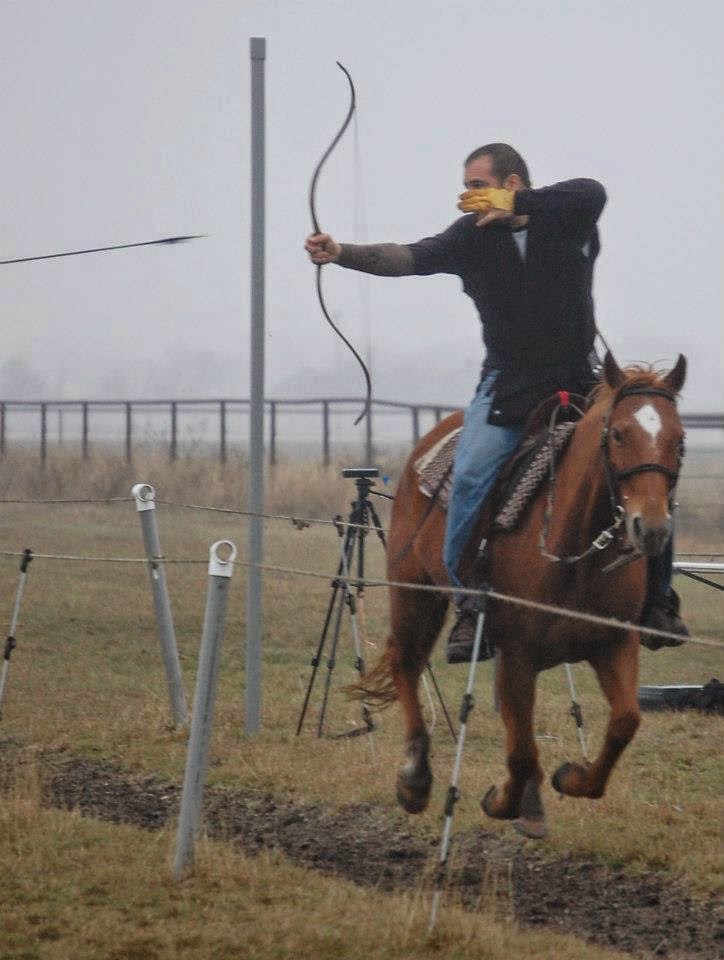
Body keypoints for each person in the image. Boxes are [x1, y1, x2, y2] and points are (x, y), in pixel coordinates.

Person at [305, 142, 688, 661]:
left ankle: (658, 602)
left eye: (477, 184)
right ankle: (470, 604)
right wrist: (343, 252)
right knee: (469, 476)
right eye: (464, 186)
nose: (467, 196)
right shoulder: (468, 239)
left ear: (511, 185)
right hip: (507, 385)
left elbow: (591, 192)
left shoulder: (569, 221)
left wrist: (518, 205)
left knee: (644, 466)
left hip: (581, 381)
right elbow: (409, 257)